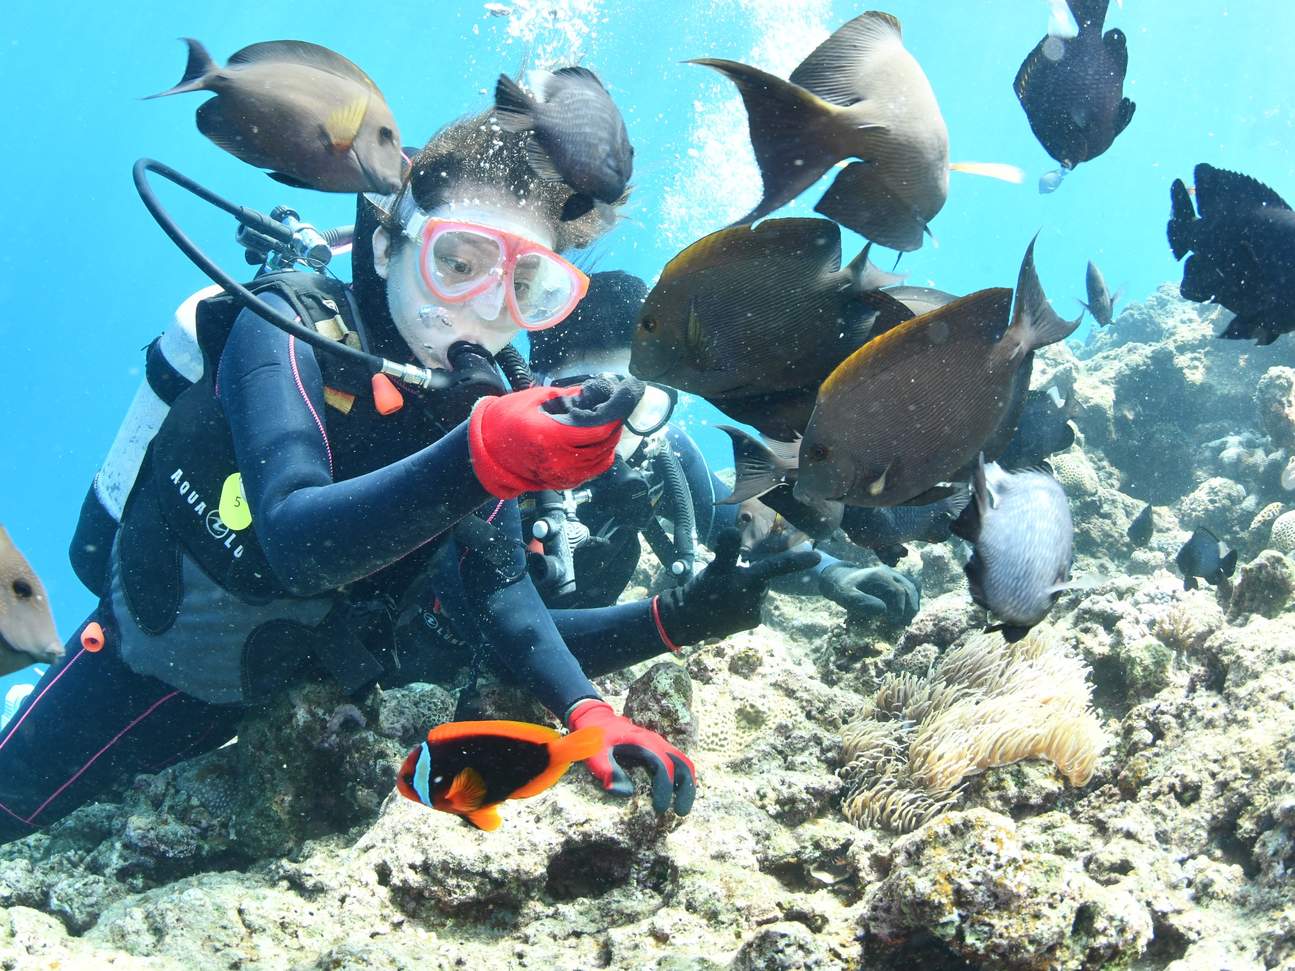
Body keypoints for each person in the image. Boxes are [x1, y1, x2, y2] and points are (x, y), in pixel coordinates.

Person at [0, 103, 816, 845]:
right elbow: (293, 537)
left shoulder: (482, 401)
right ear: (389, 243)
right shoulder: (287, 328)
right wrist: (482, 456)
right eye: (457, 262)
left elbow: (503, 602)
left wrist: (613, 687)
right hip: (143, 664)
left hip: (294, 712)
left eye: (527, 286)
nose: (485, 310)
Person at [525, 271, 921, 624]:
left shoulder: (662, 454)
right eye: (586, 403)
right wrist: (665, 624)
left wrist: (834, 574)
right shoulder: (486, 467)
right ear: (533, 392)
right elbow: (499, 623)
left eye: (638, 405)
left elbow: (747, 534)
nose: (607, 432)